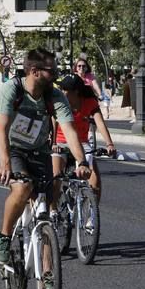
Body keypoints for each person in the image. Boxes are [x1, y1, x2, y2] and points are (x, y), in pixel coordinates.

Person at [0, 48, 91, 267]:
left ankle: (47, 278)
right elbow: (1, 129)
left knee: (44, 212)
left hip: (39, 150)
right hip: (12, 148)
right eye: (51, 70)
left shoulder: (54, 95)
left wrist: (81, 161)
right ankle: (4, 239)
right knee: (23, 188)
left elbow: (70, 130)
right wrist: (5, 164)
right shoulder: (12, 89)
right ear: (35, 71)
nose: (56, 74)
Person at [51, 74, 116, 208]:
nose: (62, 92)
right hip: (60, 142)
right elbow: (53, 122)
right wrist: (53, 143)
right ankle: (53, 213)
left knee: (95, 178)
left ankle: (91, 218)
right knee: (55, 177)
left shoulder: (89, 102)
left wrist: (109, 144)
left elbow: (100, 123)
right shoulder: (59, 102)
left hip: (82, 144)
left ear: (76, 92)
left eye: (66, 89)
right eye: (61, 88)